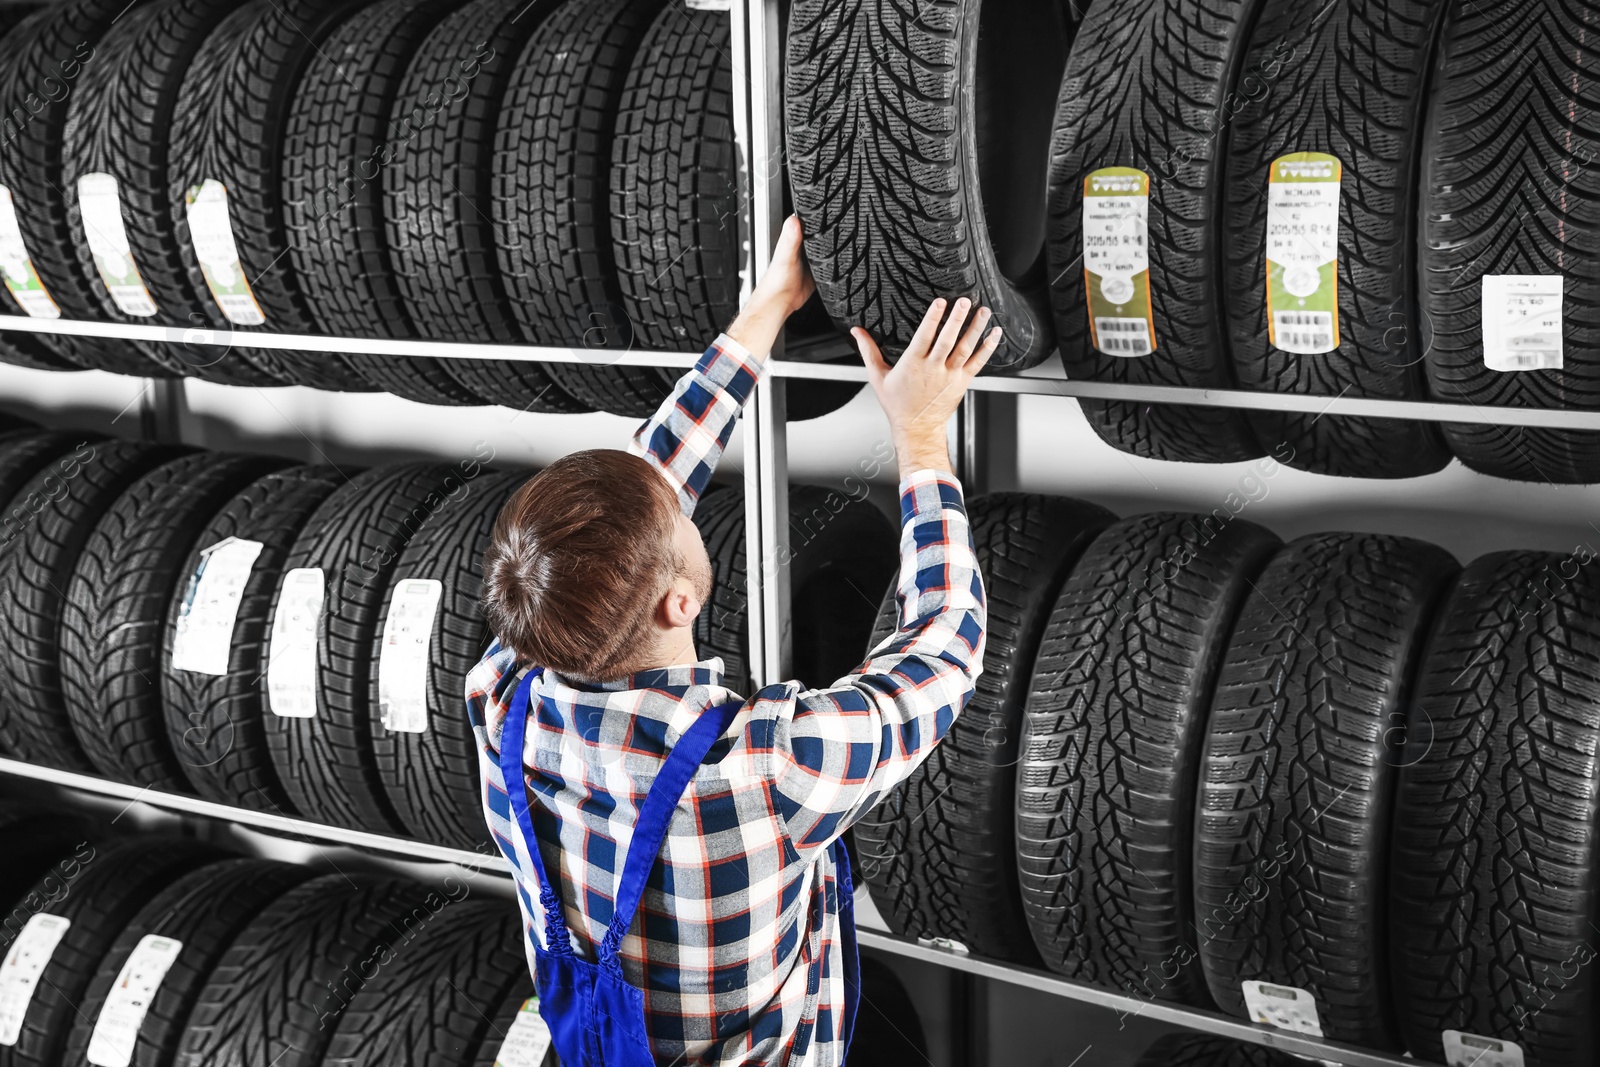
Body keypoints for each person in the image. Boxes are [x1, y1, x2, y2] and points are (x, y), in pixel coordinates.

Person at [467, 215, 999, 1067]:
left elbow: (634, 504)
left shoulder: (503, 697)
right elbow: (943, 649)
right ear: (680, 602)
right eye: (681, 522)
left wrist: (764, 317)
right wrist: (923, 439)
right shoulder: (768, 769)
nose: (683, 506)